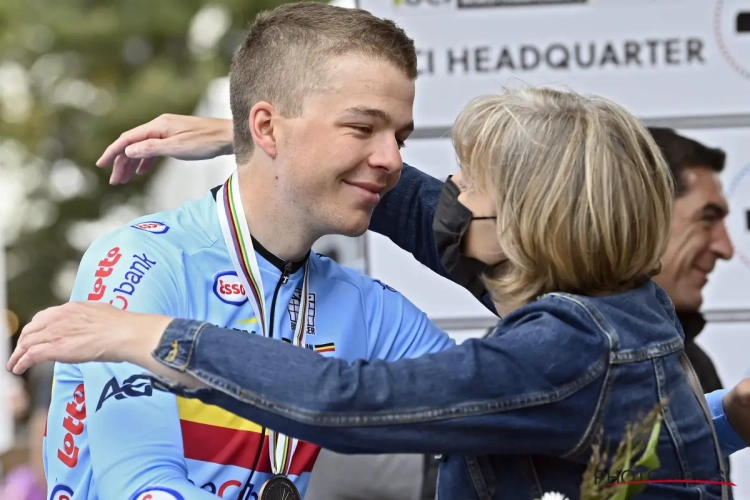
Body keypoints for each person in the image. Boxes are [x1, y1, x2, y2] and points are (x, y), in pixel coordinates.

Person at [10, 87, 750, 500]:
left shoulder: (564, 347)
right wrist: (268, 142)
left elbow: (347, 402)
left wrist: (153, 336)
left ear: (527, 221)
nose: (452, 195)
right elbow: (630, 459)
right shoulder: (626, 309)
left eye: (471, 182)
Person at [31, 4, 459, 500]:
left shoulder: (368, 308)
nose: (392, 161)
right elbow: (141, 489)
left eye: (400, 138)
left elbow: (508, 411)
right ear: (267, 128)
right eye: (363, 129)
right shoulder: (142, 260)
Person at [647, 128, 734, 394]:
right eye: (708, 218)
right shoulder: (559, 360)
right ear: (643, 215)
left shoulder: (693, 363)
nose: (726, 249)